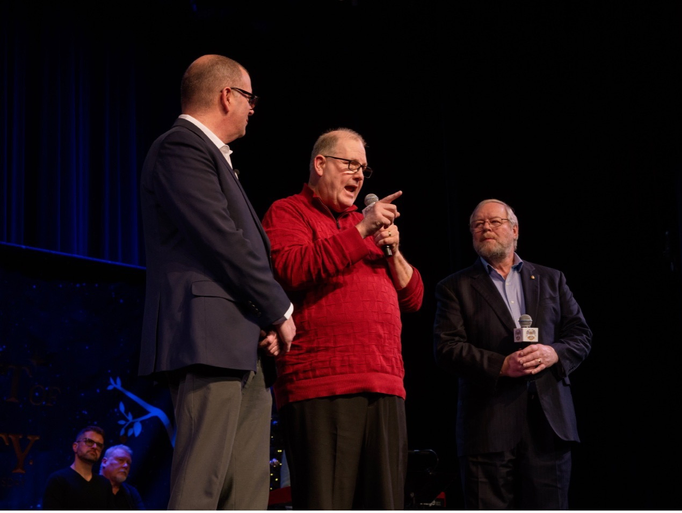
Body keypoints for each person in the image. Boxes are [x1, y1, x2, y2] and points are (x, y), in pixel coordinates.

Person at [139, 54, 296, 509]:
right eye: (250, 98)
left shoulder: (215, 158)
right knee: (202, 485)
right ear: (228, 96)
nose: (252, 109)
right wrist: (278, 309)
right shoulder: (181, 148)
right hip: (206, 341)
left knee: (246, 492)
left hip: (242, 343)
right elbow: (221, 241)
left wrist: (261, 323)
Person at [262, 127, 424, 509]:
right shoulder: (288, 211)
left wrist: (393, 250)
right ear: (320, 164)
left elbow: (414, 298)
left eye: (363, 169)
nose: (358, 175)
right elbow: (292, 268)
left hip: (384, 383)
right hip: (321, 385)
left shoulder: (370, 227)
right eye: (350, 164)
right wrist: (362, 229)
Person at [433, 199, 592, 509]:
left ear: (515, 230)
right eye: (478, 225)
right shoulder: (455, 287)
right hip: (487, 427)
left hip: (549, 426)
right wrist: (501, 366)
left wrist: (553, 353)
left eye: (494, 222)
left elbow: (581, 334)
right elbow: (446, 348)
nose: (485, 228)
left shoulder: (551, 279)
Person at [42, 425, 115, 510]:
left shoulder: (104, 484)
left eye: (99, 445)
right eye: (89, 442)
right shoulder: (58, 480)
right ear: (75, 446)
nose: (95, 447)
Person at [100, 444, 145, 509]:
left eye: (128, 463)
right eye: (121, 460)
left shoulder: (132, 493)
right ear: (105, 462)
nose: (126, 466)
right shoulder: (89, 485)